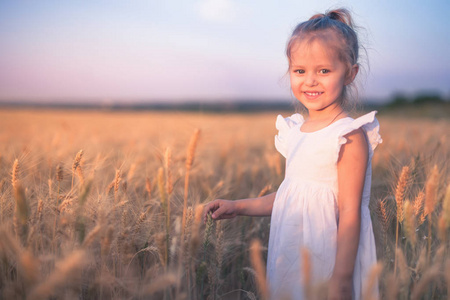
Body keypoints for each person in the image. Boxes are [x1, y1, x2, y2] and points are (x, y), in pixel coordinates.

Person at [203, 8, 381, 300]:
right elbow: (291, 195)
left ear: (350, 73)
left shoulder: (347, 135)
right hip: (292, 253)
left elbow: (350, 213)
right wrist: (238, 206)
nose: (310, 81)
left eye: (324, 71)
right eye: (300, 71)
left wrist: (342, 278)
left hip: (329, 259)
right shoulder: (296, 131)